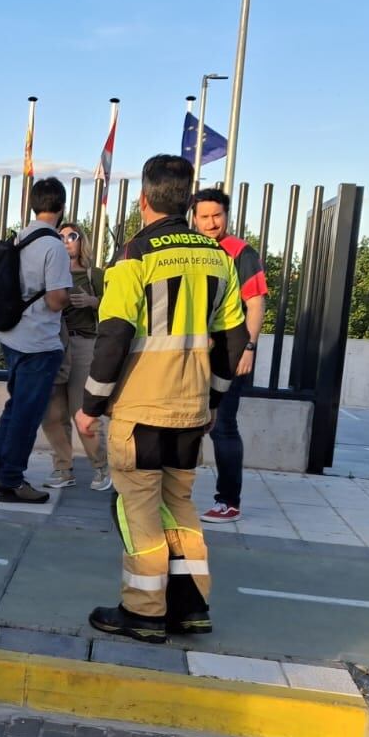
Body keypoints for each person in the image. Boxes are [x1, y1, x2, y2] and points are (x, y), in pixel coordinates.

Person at [75, 154, 246, 644]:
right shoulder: (219, 258)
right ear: (190, 202)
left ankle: (144, 611)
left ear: (144, 199)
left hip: (142, 406)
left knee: (139, 511)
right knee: (181, 505)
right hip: (192, 407)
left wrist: (90, 405)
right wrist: (213, 401)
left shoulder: (135, 256)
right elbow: (232, 342)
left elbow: (113, 336)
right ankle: (191, 607)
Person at [0, 177, 72, 502]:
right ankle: (12, 480)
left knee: (15, 408)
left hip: (12, 336)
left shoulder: (20, 237)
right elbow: (56, 299)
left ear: (34, 205)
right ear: (61, 206)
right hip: (39, 342)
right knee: (27, 415)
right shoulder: (54, 246)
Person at [191, 188, 269, 524]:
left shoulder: (241, 252)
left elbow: (255, 302)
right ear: (193, 217)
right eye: (204, 216)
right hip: (194, 351)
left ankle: (228, 501)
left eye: (217, 215)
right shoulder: (192, 249)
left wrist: (249, 347)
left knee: (223, 426)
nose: (211, 222)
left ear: (227, 216)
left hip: (231, 352)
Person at [40, 221, 111, 491]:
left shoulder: (96, 275)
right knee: (53, 412)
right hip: (54, 343)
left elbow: (121, 308)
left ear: (83, 241)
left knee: (83, 412)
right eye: (60, 236)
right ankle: (62, 468)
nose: (67, 240)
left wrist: (95, 303)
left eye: (73, 236)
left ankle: (101, 467)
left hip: (84, 345)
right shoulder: (49, 274)